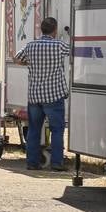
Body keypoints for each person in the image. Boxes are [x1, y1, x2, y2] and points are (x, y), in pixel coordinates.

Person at [15, 16, 71, 171]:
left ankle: (32, 163)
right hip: (53, 96)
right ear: (54, 30)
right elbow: (73, 52)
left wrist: (28, 63)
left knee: (33, 130)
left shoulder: (31, 45)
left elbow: (16, 58)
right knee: (57, 130)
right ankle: (57, 163)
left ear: (42, 29)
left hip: (34, 97)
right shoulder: (59, 45)